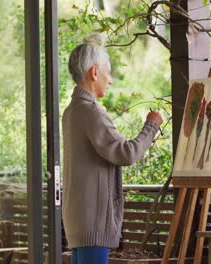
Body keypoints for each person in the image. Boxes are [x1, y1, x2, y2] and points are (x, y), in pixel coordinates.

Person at [62, 33, 163, 264]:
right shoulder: (91, 112)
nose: (110, 79)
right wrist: (151, 126)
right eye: (108, 72)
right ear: (94, 72)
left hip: (78, 221)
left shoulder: (71, 112)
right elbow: (126, 153)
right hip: (93, 224)